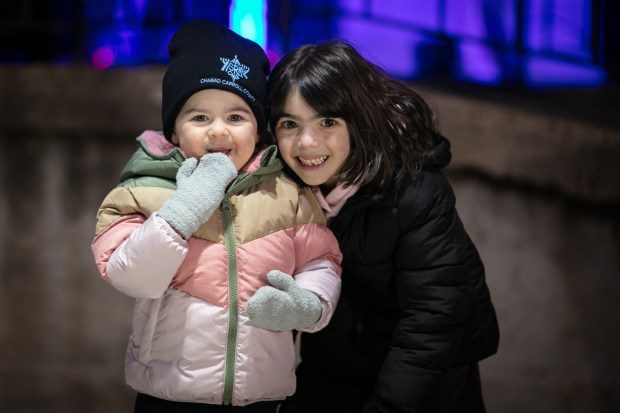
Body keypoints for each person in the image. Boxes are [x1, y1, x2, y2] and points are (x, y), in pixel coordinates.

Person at [91, 21, 342, 413]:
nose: (218, 131)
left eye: (237, 117)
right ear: (173, 131)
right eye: (199, 118)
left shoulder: (287, 191)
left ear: (259, 130)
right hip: (170, 395)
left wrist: (309, 304)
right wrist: (184, 208)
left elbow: (321, 259)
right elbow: (130, 275)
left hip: (259, 396)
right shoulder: (144, 189)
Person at [268, 41, 500, 413]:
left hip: (427, 376)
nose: (307, 142)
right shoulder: (282, 192)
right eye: (290, 124)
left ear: (358, 121)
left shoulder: (414, 190)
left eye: (327, 121)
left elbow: (435, 316)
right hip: (336, 362)